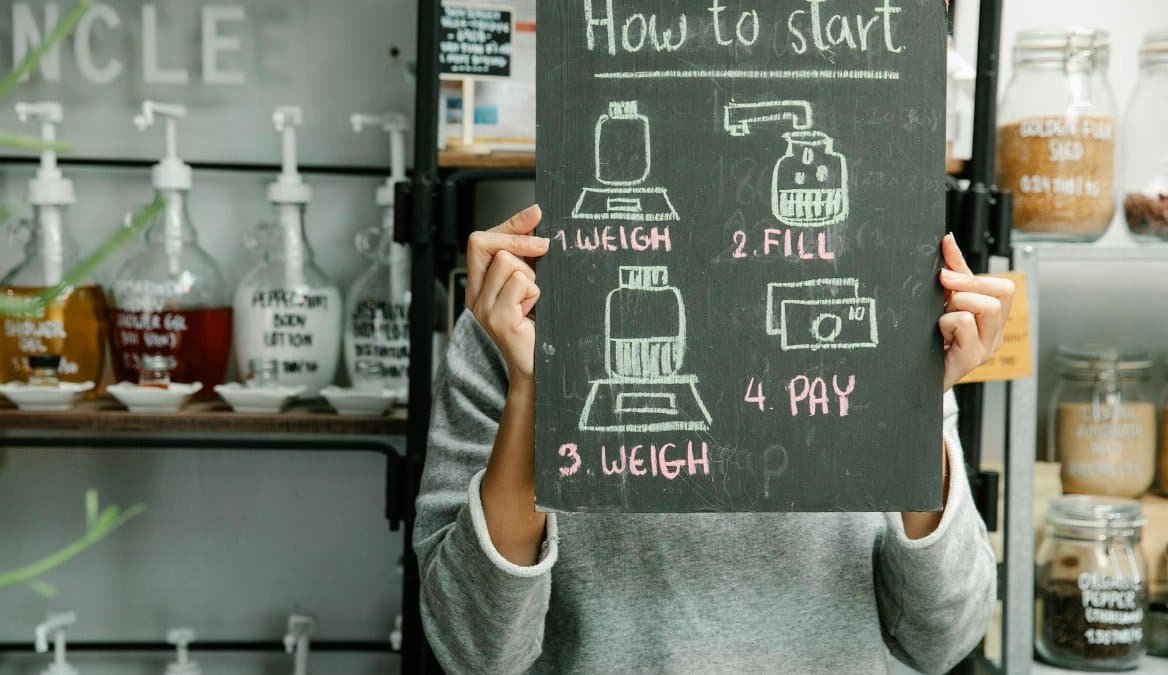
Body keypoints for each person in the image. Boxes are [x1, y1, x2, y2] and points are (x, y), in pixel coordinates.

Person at [414, 204, 1012, 674]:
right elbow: (475, 651)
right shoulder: (517, 315)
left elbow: (943, 639)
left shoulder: (887, 308)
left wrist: (912, 406)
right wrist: (533, 385)